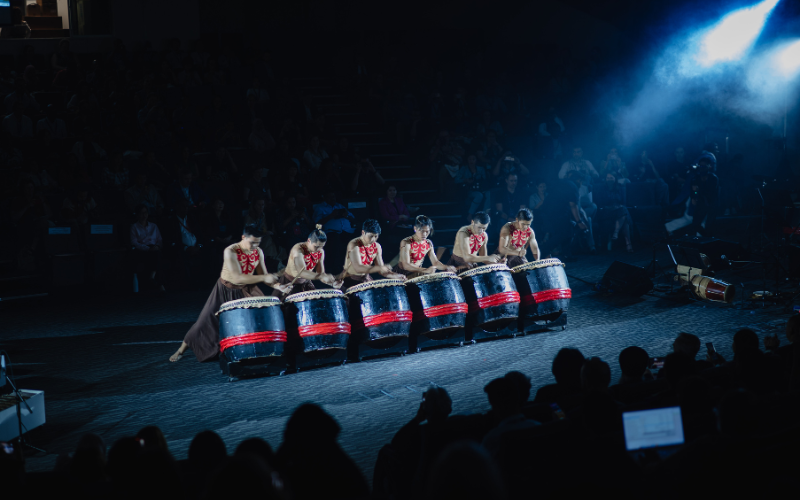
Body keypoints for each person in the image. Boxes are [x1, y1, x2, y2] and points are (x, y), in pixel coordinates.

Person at [169, 224, 290, 362]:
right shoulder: (231, 251)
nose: (255, 246)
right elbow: (237, 277)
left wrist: (278, 286)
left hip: (247, 289)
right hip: (226, 289)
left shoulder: (258, 252)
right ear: (243, 237)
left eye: (258, 243)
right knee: (205, 321)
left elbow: (264, 276)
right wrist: (264, 277)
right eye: (252, 243)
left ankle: (264, 346)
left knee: (263, 313)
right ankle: (180, 350)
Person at [273, 225, 342, 296]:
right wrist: (321, 276)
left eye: (322, 246)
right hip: (289, 282)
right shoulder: (298, 249)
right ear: (309, 241)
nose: (319, 249)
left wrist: (332, 283)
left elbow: (320, 274)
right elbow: (301, 272)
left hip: (306, 282)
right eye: (316, 246)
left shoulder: (320, 251)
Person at [337, 219, 405, 289]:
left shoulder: (377, 246)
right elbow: (358, 268)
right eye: (371, 236)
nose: (373, 239)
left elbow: (381, 271)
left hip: (365, 280)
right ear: (363, 232)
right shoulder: (354, 244)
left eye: (376, 236)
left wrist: (395, 275)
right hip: (350, 281)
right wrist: (380, 267)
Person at [393, 215, 457, 278]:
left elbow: (435, 262)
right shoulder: (406, 242)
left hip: (417, 275)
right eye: (422, 231)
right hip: (403, 276)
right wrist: (425, 270)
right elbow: (406, 265)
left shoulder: (428, 243)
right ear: (415, 228)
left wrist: (446, 267)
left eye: (427, 231)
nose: (424, 234)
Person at [593, 173, 633, 252]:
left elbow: (624, 202)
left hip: (619, 210)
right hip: (606, 211)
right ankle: (628, 243)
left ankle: (616, 233)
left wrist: (618, 206)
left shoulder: (620, 188)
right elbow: (599, 203)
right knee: (624, 214)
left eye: (611, 178)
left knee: (623, 211)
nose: (609, 179)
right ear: (605, 179)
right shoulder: (601, 189)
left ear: (615, 179)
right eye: (608, 178)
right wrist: (609, 207)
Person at [130, 204, 164, 292]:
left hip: (154, 248)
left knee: (157, 254)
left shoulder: (154, 226)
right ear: (137, 215)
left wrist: (157, 246)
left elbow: (159, 239)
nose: (144, 215)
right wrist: (147, 248)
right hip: (142, 250)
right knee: (157, 255)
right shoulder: (134, 227)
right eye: (141, 213)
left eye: (145, 213)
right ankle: (159, 284)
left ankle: (153, 278)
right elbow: (134, 242)